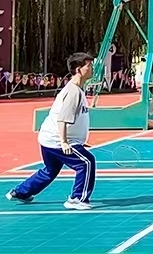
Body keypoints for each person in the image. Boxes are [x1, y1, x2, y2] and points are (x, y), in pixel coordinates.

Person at [6, 53, 97, 210]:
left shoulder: (77, 90)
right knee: (86, 163)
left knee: (50, 170)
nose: (92, 69)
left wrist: (77, 141)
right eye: (88, 66)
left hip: (48, 139)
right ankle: (76, 199)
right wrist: (64, 142)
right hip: (57, 140)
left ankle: (20, 192)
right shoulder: (73, 92)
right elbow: (62, 119)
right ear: (78, 70)